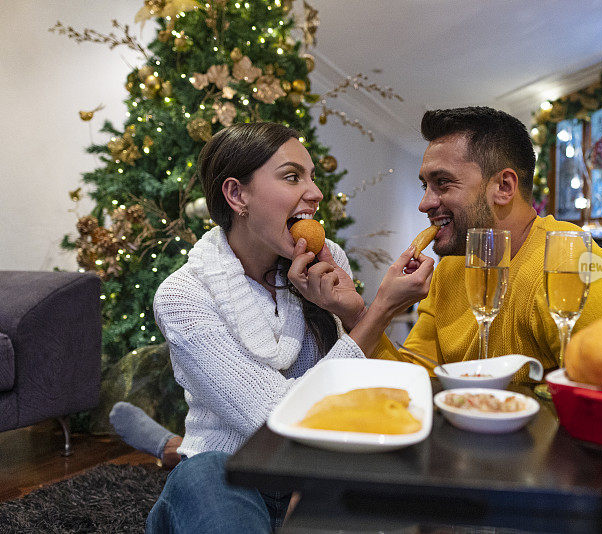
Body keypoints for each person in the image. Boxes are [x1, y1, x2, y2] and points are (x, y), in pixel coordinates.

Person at [143, 121, 434, 534]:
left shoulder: (326, 259)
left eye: (312, 177)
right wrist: (381, 310)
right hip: (229, 472)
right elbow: (274, 419)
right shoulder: (183, 297)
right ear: (237, 194)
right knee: (202, 475)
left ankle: (159, 443)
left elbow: (356, 394)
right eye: (293, 176)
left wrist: (352, 310)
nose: (315, 193)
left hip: (318, 470)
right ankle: (169, 449)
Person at [373, 106, 602, 377]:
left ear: (504, 187)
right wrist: (359, 313)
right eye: (425, 186)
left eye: (443, 182)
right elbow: (413, 380)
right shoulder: (448, 271)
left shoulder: (574, 271)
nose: (424, 204)